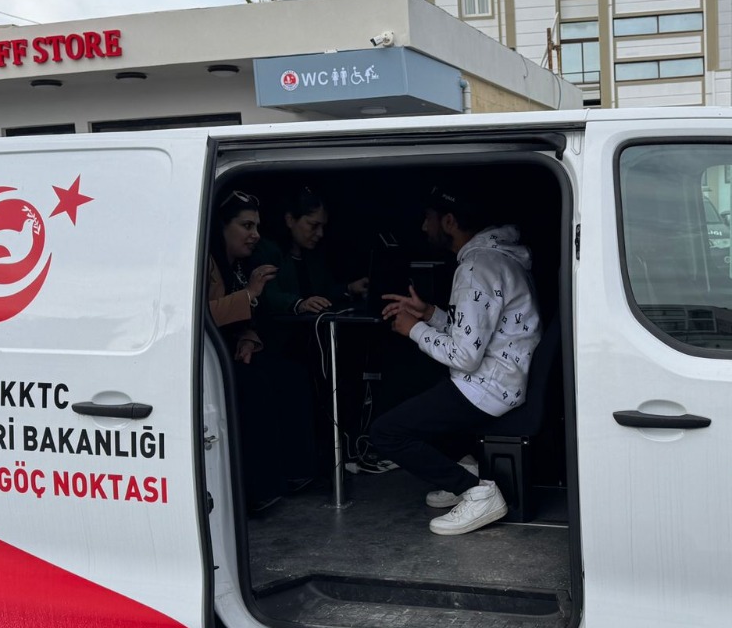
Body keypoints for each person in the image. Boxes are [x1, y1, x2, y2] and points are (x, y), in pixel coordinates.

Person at [372, 182, 542, 536]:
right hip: (503, 378)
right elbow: (476, 331)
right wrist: (429, 314)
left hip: (488, 388)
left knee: (386, 432)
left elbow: (464, 356)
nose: (424, 227)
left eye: (428, 218)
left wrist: (413, 330)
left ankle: (477, 492)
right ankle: (465, 468)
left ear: (449, 221)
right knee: (416, 383)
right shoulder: (497, 258)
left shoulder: (476, 268)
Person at [207, 190, 317, 512]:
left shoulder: (240, 264)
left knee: (291, 375)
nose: (255, 234)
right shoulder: (206, 262)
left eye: (256, 226)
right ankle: (255, 490)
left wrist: (248, 337)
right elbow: (202, 315)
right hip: (208, 360)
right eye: (246, 226)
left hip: (234, 351)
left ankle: (293, 474)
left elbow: (245, 322)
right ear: (223, 227)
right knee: (254, 388)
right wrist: (250, 293)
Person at [255, 186, 370, 317]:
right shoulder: (267, 250)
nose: (320, 233)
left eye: (322, 227)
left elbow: (324, 291)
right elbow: (267, 295)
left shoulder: (312, 257)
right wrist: (299, 304)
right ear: (290, 220)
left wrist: (350, 288)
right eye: (313, 225)